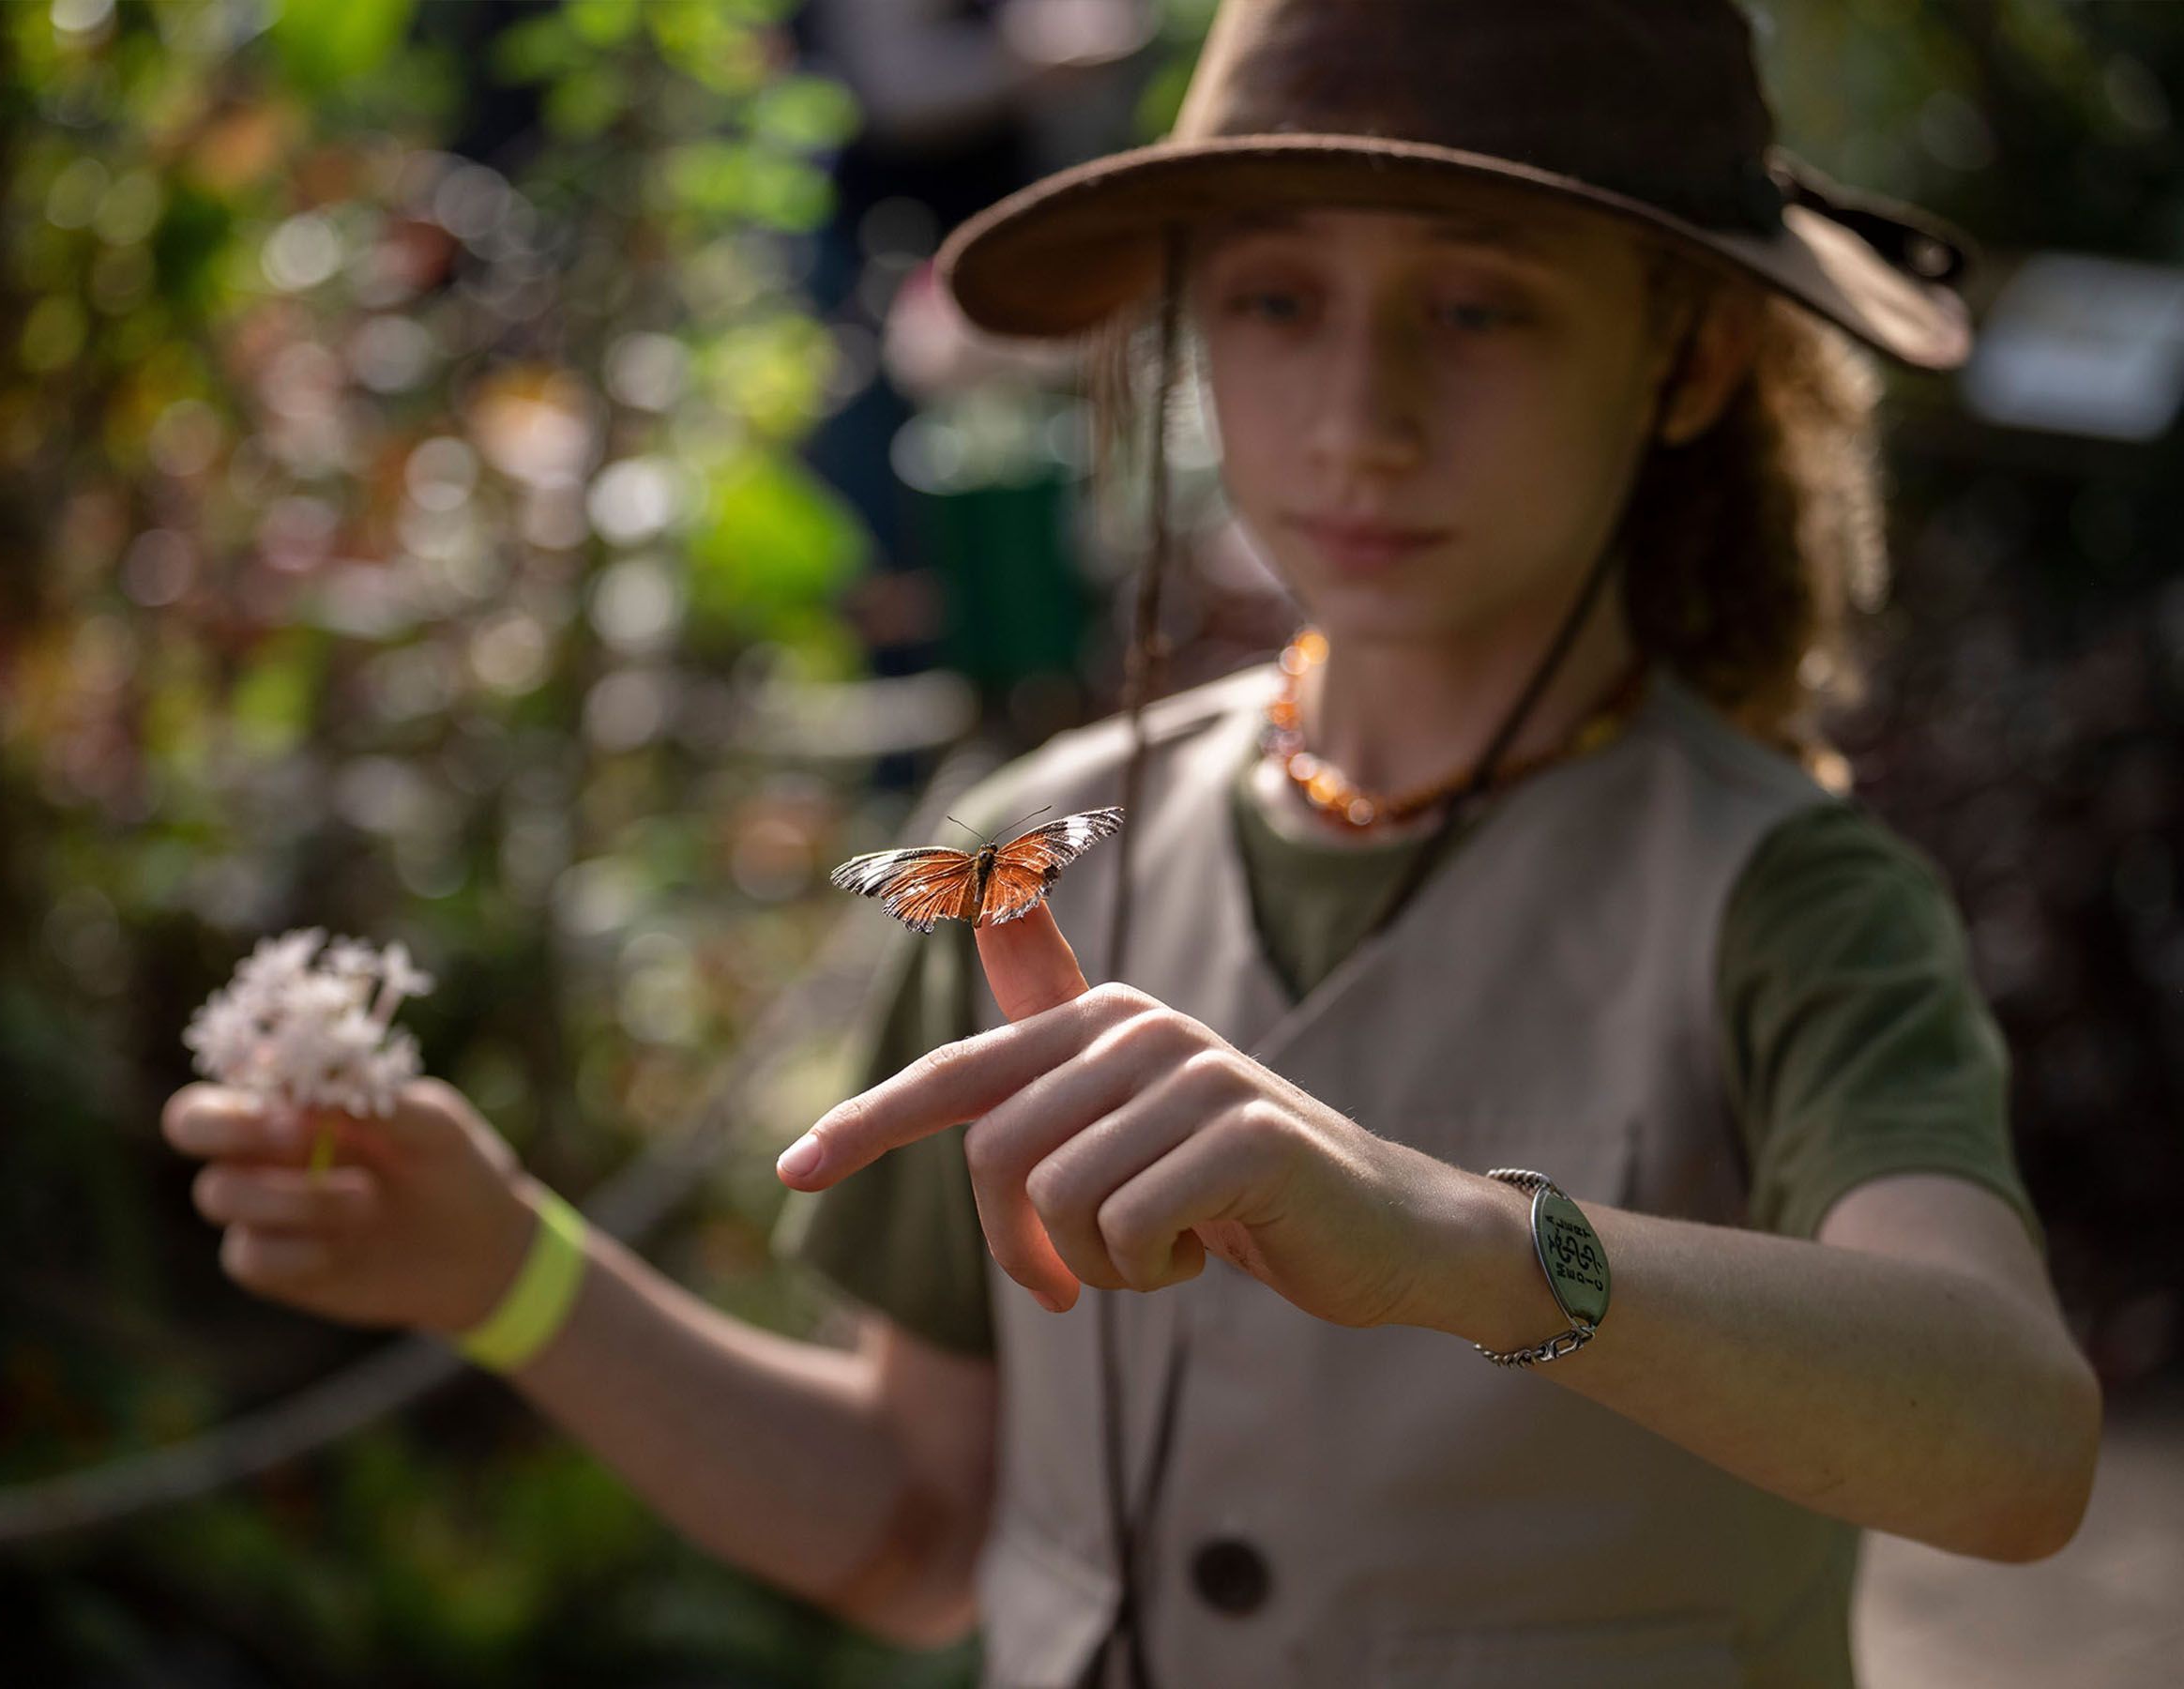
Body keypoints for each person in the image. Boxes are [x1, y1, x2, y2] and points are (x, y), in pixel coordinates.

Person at [160, 3, 2102, 1686]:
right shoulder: (1022, 865)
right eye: (1274, 299)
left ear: (1681, 363)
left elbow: (2009, 1442)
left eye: (1481, 304)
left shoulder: (1789, 897)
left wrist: (1462, 1244)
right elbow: (919, 1533)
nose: (1361, 415)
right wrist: (503, 1269)